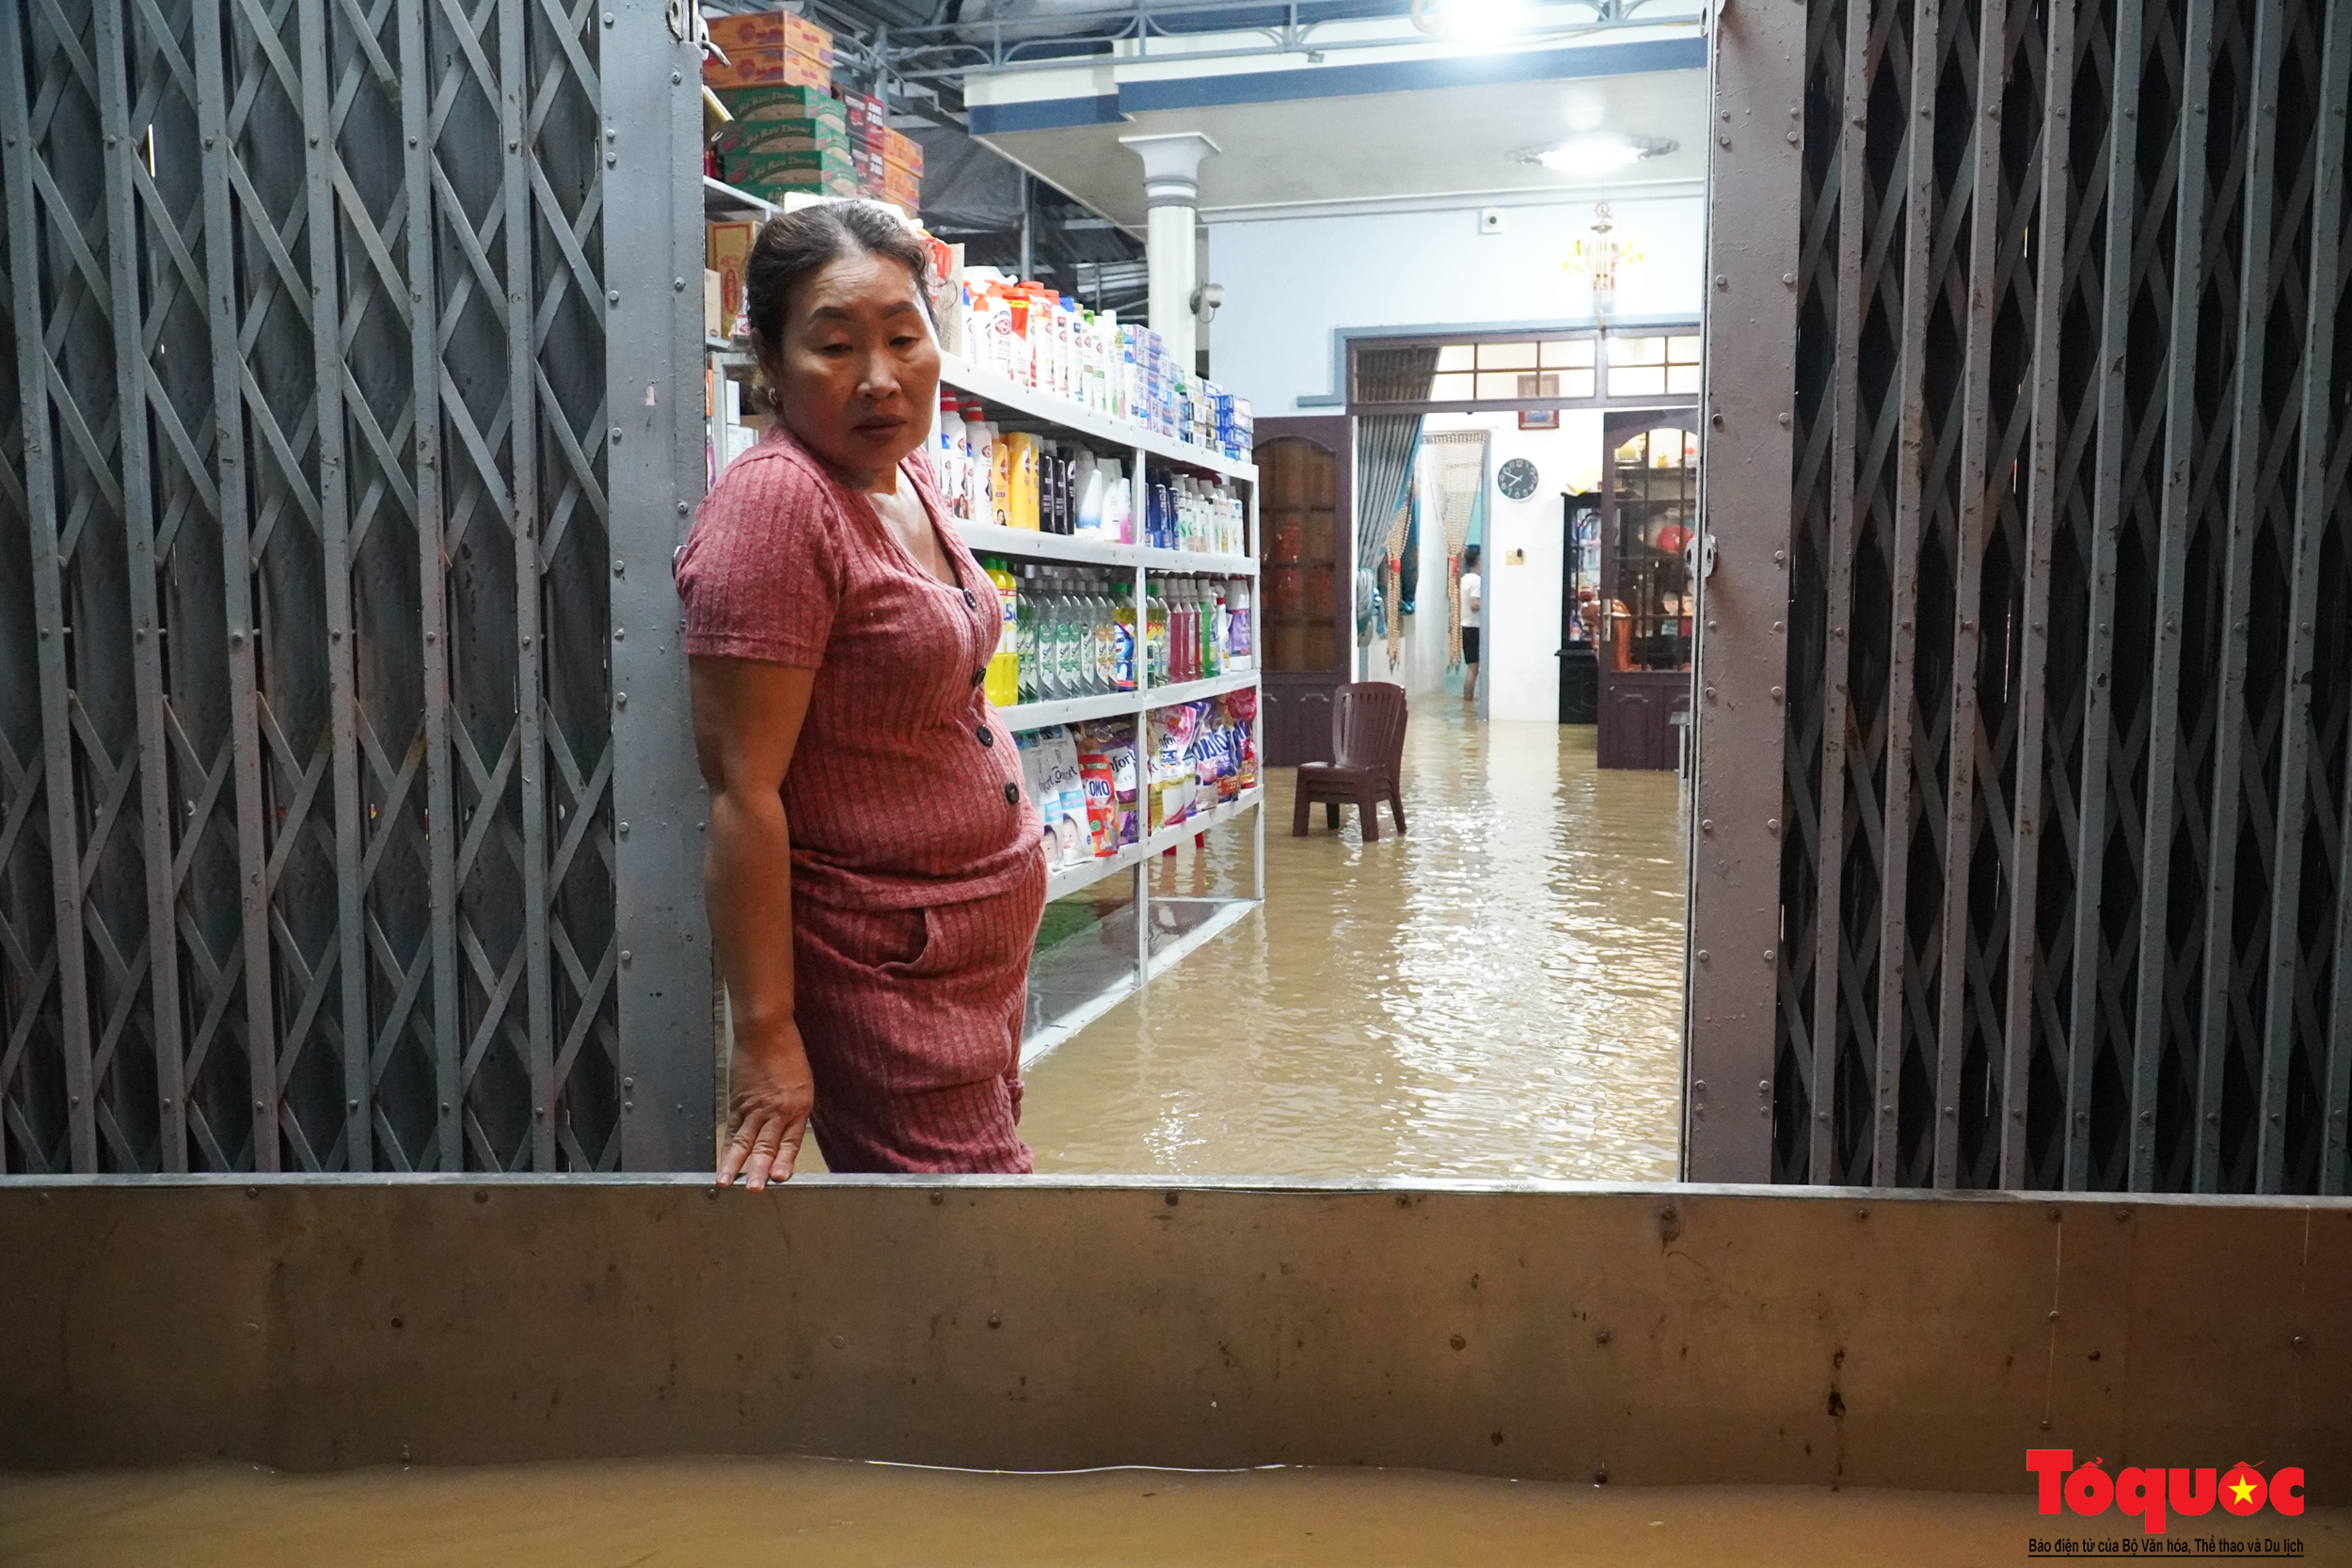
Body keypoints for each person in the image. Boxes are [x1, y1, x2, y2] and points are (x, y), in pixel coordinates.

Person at [676, 202, 1045, 1188]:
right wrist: (765, 1037)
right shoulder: (777, 504)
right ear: (769, 356)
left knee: (983, 1218)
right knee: (979, 1256)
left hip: (978, 939)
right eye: (834, 345)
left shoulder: (904, 473)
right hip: (889, 968)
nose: (878, 377)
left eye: (901, 336)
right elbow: (741, 792)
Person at [1458, 545, 1483, 705]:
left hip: (1466, 626)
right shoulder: (1477, 580)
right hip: (1475, 627)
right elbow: (1474, 604)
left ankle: (1467, 704)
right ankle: (1468, 703)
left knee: (1472, 667)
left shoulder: (1464, 579)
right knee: (1474, 668)